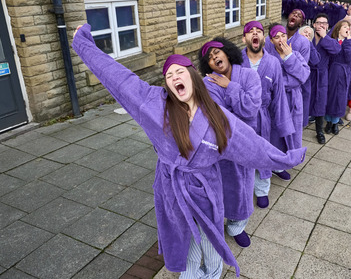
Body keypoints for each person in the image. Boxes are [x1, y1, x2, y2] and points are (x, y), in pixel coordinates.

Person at [72, 24, 306, 278]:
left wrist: (285, 157)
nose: (173, 77)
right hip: (172, 188)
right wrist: (83, 43)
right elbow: (117, 77)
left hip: (206, 189)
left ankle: (214, 272)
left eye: (179, 71)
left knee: (211, 239)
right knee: (185, 240)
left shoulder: (216, 117)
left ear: (192, 76)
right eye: (168, 75)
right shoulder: (154, 105)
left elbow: (251, 144)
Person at [198, 37, 262, 248]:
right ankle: (217, 221)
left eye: (217, 52)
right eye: (209, 57)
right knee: (222, 186)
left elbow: (251, 108)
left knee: (244, 187)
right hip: (221, 144)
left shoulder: (250, 76)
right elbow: (217, 116)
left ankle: (237, 226)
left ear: (227, 52)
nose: (214, 57)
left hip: (246, 142)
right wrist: (238, 104)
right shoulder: (207, 84)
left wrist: (230, 86)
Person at [240, 21, 294, 208]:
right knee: (243, 156)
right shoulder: (236, 61)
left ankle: (262, 190)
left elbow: (279, 96)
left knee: (264, 154)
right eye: (250, 32)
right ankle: (242, 191)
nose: (255, 34)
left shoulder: (273, 63)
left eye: (259, 31)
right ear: (244, 38)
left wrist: (282, 125)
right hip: (242, 118)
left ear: (263, 38)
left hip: (264, 117)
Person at [265, 24, 310, 153]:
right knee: (276, 133)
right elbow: (269, 81)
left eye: (283, 36)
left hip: (294, 99)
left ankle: (290, 157)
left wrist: (289, 57)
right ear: (271, 39)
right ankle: (277, 164)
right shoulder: (268, 58)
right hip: (277, 100)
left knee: (294, 131)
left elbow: (304, 75)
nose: (281, 40)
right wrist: (293, 81)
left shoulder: (295, 54)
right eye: (277, 37)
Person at [310, 13, 341, 144]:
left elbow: (336, 50)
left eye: (324, 23)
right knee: (306, 100)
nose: (321, 25)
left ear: (327, 26)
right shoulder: (308, 37)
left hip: (322, 75)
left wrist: (324, 37)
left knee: (320, 103)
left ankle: (319, 131)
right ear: (313, 24)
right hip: (308, 74)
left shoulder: (329, 39)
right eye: (318, 22)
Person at [324, 20, 351, 134]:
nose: (347, 29)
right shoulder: (332, 41)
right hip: (331, 73)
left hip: (343, 73)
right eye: (344, 27)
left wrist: (348, 41)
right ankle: (328, 121)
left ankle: (335, 122)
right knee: (330, 96)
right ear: (338, 29)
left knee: (340, 98)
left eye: (348, 27)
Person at [283, 9, 311, 129]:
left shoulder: (303, 42)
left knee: (291, 128)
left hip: (291, 90)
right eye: (293, 13)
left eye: (299, 16)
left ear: (300, 23)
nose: (295, 15)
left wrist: (282, 83)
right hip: (273, 90)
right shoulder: (273, 38)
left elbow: (302, 73)